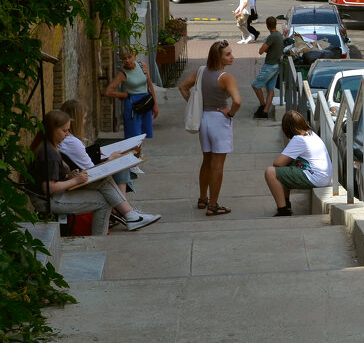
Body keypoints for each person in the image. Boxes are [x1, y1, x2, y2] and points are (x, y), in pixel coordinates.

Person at [26, 110, 160, 235]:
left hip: (56, 196)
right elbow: (49, 187)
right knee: (103, 200)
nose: (67, 134)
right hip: (50, 200)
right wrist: (75, 181)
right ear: (52, 130)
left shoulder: (49, 147)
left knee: (104, 182)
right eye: (64, 131)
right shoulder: (48, 153)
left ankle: (130, 217)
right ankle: (105, 235)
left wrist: (71, 176)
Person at [178, 40, 241, 216]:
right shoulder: (225, 77)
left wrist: (193, 104)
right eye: (227, 54)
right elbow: (237, 101)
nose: (232, 57)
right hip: (219, 121)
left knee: (206, 160)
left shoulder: (201, 71)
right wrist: (230, 113)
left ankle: (202, 198)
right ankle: (213, 205)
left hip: (203, 119)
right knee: (217, 165)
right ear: (219, 58)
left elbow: (183, 87)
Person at [264, 110, 331, 216]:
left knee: (270, 172)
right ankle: (286, 204)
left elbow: (277, 163)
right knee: (287, 166)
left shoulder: (299, 139)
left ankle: (283, 210)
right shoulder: (311, 134)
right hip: (323, 177)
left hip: (316, 178)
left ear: (287, 128)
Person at [103, 48, 159, 139]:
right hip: (133, 104)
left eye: (129, 57)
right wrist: (123, 95)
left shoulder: (142, 66)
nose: (128, 61)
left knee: (144, 133)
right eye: (124, 58)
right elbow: (108, 92)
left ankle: (139, 153)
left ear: (134, 55)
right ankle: (136, 153)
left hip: (146, 102)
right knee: (134, 136)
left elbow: (150, 85)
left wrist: (155, 104)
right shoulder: (122, 74)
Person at [251, 16, 284, 118]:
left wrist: (266, 48)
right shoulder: (279, 35)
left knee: (256, 85)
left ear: (267, 25)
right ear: (276, 24)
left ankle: (262, 105)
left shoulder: (272, 36)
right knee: (270, 89)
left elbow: (261, 50)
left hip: (270, 66)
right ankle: (265, 112)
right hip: (277, 66)